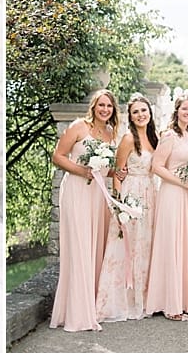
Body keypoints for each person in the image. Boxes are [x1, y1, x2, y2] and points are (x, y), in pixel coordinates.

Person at [50, 89, 120, 331]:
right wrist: (82, 171)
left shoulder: (110, 133)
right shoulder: (80, 126)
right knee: (80, 247)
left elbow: (104, 168)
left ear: (113, 110)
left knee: (94, 247)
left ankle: (92, 305)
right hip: (77, 190)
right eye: (101, 105)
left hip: (97, 195)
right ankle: (77, 313)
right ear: (94, 106)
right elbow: (58, 156)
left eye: (109, 106)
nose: (105, 109)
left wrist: (116, 172)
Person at [96, 94, 159, 321]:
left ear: (149, 113)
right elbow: (118, 174)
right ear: (131, 117)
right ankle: (123, 300)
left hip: (150, 194)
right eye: (136, 112)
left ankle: (145, 298)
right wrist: (120, 206)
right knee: (130, 245)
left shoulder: (154, 138)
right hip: (132, 194)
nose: (141, 115)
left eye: (144, 110)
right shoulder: (128, 139)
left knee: (146, 243)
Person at [145, 93, 188, 321]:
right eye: (184, 109)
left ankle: (182, 298)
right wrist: (182, 182)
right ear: (177, 111)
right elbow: (156, 166)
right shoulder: (169, 135)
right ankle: (169, 303)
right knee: (171, 244)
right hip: (172, 194)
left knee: (184, 245)